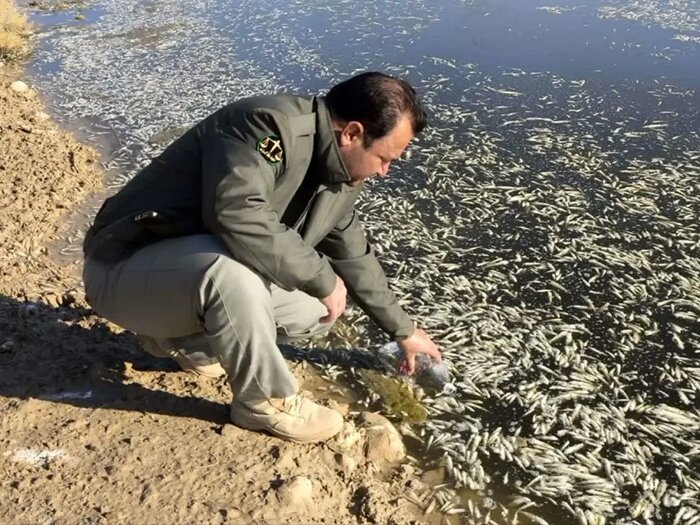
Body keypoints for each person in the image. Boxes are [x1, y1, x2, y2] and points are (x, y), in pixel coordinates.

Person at [82, 71, 442, 444]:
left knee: (313, 309)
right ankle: (265, 401)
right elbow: (237, 212)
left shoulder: (341, 177)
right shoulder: (266, 125)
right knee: (232, 275)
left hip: (179, 279)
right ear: (352, 133)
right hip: (122, 268)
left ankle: (179, 341)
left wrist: (405, 330)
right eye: (385, 158)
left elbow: (355, 255)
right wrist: (321, 274)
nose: (384, 172)